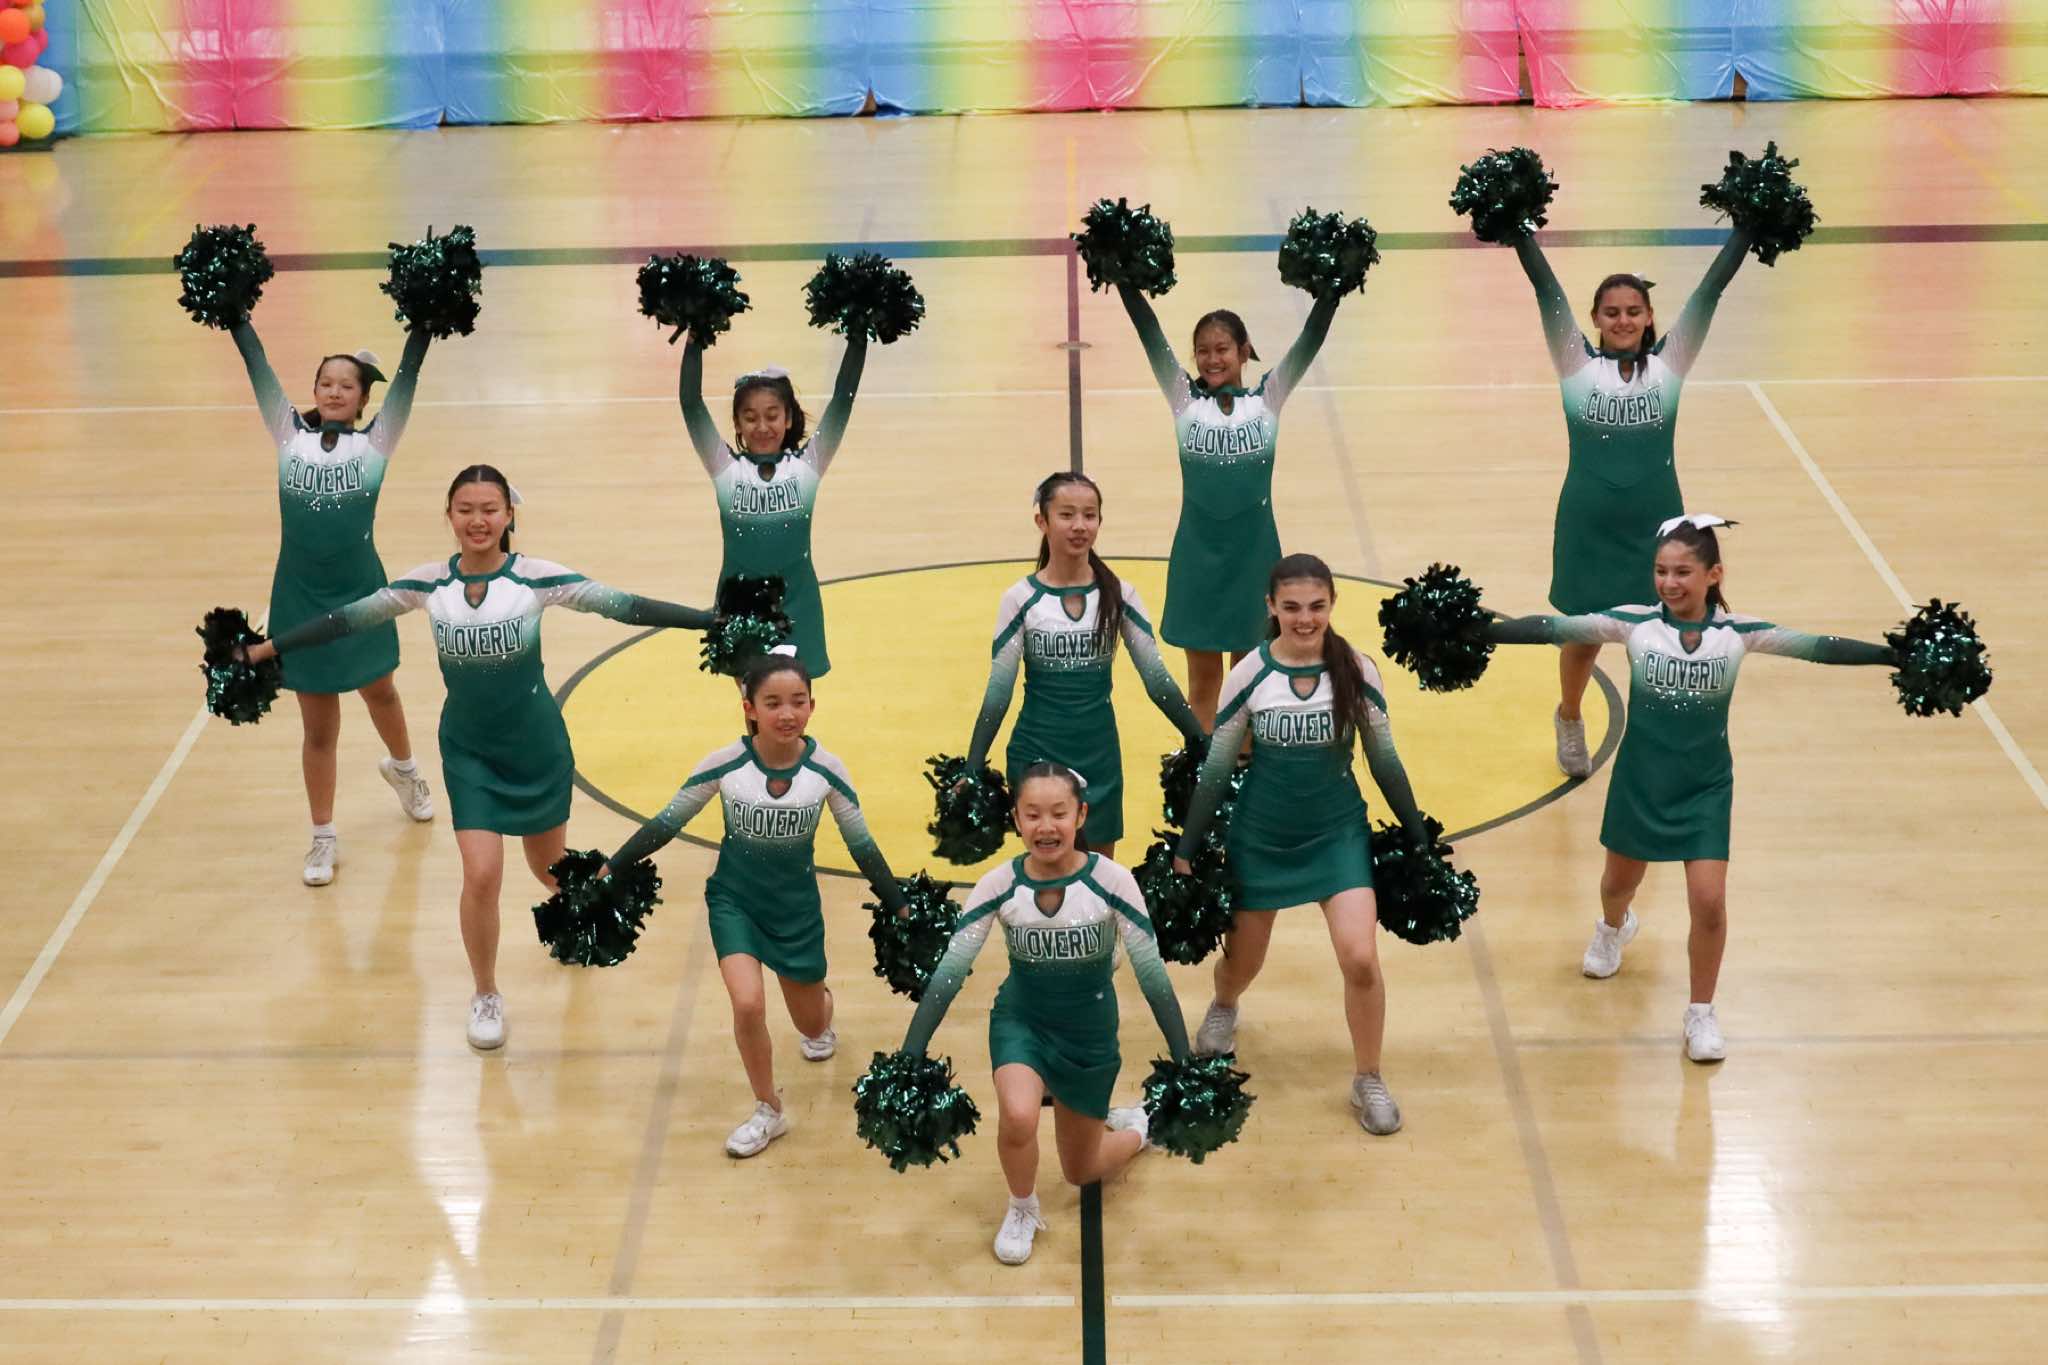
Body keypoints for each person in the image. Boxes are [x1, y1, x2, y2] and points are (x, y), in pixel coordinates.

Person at [245, 465, 716, 1050]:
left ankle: (582, 913)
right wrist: (271, 647)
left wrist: (707, 619)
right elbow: (346, 618)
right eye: (465, 509)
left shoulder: (537, 579)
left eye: (489, 509)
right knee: (482, 872)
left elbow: (622, 606)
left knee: (550, 870)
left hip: (536, 748)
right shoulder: (428, 585)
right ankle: (486, 993)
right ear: (449, 515)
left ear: (509, 515)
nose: (478, 520)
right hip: (469, 751)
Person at [1484, 515, 1896, 1062]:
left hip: (1704, 788)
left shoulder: (1739, 633)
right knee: (1617, 885)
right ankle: (1613, 927)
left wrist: (1892, 654)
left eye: (1682, 572)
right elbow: (1552, 629)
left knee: (1708, 902)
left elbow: (1818, 647)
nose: (1669, 582)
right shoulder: (1632, 624)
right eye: (1661, 571)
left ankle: (1701, 1011)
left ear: (1713, 574)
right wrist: (1478, 631)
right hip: (1641, 781)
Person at [604, 653, 907, 1157]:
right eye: (773, 703)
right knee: (747, 1003)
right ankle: (769, 1108)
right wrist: (612, 867)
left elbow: (862, 846)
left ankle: (822, 1012)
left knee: (810, 1023)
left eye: (798, 702)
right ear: (749, 709)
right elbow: (667, 822)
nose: (787, 713)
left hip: (796, 912)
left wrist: (900, 907)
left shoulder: (827, 770)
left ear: (812, 706)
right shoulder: (725, 763)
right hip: (735, 901)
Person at [1174, 554, 1427, 1136]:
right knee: (1242, 962)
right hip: (1261, 837)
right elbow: (1218, 768)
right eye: (1291, 607)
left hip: (1337, 835)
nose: (1305, 618)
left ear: (1332, 604)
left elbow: (1385, 762)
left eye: (1316, 606)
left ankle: (1368, 1077)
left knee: (1359, 957)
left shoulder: (1356, 670)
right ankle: (1225, 1005)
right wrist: (1187, 847)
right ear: (1271, 607)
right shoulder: (1250, 674)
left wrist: (1418, 837)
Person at [902, 763, 1189, 1265]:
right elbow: (950, 970)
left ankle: (1140, 1128)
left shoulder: (1113, 881)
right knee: (1018, 1115)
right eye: (1032, 814)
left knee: (1081, 1171)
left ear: (1081, 816)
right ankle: (1022, 1207)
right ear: (1016, 819)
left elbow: (1152, 975)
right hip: (1023, 1021)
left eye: (1059, 813)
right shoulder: (998, 884)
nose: (1046, 826)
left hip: (1089, 1033)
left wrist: (1185, 1061)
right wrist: (911, 1053)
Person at [1511, 218, 1756, 777]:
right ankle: (1570, 716)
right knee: (1583, 635)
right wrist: (1519, 230)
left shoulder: (1670, 365)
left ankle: (1655, 736)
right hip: (1588, 527)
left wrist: (1745, 230)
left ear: (1648, 317)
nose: (1622, 320)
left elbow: (1709, 292)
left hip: (1657, 528)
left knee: (1661, 638)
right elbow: (1546, 290)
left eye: (1633, 311)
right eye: (1611, 312)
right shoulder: (1576, 366)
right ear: (1595, 320)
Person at [227, 316, 437, 885]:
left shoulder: (376, 444)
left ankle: (405, 770)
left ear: (364, 399)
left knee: (381, 691)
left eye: (347, 385)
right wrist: (238, 318)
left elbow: (409, 379)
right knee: (319, 728)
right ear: (314, 391)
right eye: (326, 383)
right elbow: (257, 367)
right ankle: (322, 837)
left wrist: (424, 325)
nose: (335, 391)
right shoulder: (288, 435)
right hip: (299, 596)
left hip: (361, 593)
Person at [1112, 281, 1343, 727]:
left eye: (1222, 349)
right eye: (1202, 351)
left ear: (1244, 351)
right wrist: (1123, 281)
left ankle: (1243, 763)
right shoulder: (1184, 401)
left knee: (1248, 681)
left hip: (1254, 558)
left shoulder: (1268, 399)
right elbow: (1149, 332)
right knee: (1202, 682)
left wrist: (1333, 289)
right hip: (1197, 559)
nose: (1212, 359)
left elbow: (1309, 340)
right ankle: (1203, 763)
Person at [961, 471, 1205, 859]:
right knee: (1048, 869)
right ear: (1041, 521)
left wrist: (1199, 742)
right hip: (1037, 754)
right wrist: (973, 766)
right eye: (1066, 515)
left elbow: (1157, 680)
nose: (1079, 526)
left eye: (1089, 515)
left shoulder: (1120, 594)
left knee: (1098, 877)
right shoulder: (1020, 599)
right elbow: (998, 693)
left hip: (1099, 754)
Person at [676, 329, 868, 676]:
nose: (762, 426)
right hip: (741, 606)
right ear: (737, 424)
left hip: (798, 605)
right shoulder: (726, 469)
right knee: (752, 700)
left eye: (772, 415)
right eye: (750, 418)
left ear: (788, 418)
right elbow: (691, 403)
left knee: (792, 700)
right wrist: (695, 337)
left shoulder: (807, 467)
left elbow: (843, 399)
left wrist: (859, 332)